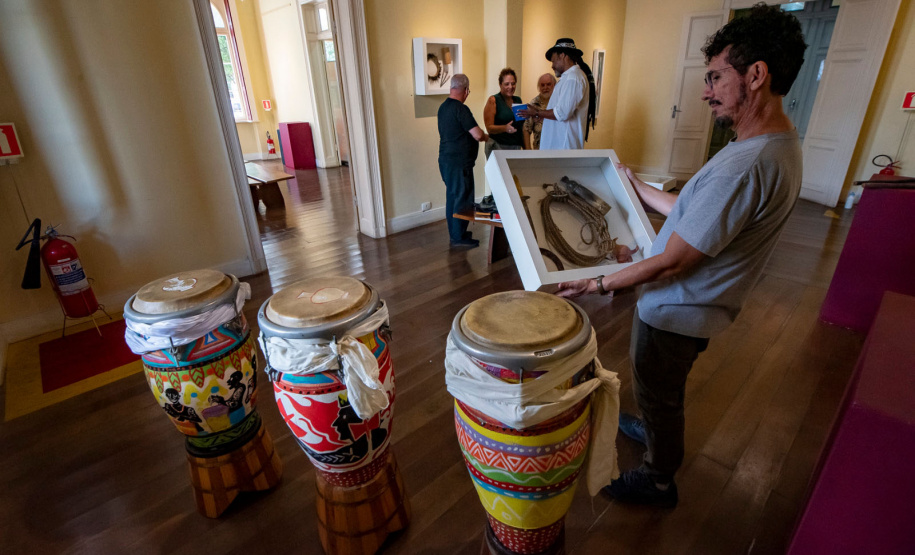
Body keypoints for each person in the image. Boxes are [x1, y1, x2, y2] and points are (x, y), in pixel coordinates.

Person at [555, 4, 807, 508]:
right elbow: (695, 213)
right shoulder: (774, 144)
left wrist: (597, 283)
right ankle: (651, 427)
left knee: (659, 391)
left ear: (756, 75)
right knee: (661, 388)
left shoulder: (745, 163)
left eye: (715, 77)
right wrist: (636, 186)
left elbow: (673, 261)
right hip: (697, 306)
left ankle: (658, 479)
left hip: (678, 309)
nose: (706, 91)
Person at [438, 74, 489, 248]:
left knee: (452, 197)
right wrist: (487, 137)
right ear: (466, 90)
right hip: (459, 164)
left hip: (445, 160)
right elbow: (477, 134)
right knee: (462, 198)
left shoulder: (443, 108)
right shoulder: (461, 109)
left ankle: (456, 233)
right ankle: (458, 237)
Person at [519, 38, 595, 149]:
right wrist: (542, 117)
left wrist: (537, 112)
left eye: (553, 61)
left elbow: (562, 113)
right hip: (558, 150)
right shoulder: (568, 78)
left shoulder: (573, 79)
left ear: (563, 56)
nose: (552, 66)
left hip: (563, 149)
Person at [483, 68, 525, 158]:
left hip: (515, 147)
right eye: (507, 84)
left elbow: (521, 126)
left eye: (513, 83)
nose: (510, 87)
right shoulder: (493, 100)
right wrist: (505, 128)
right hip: (497, 146)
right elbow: (489, 128)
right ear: (500, 84)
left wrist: (527, 149)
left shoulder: (518, 100)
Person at [523, 73, 556, 150]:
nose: (545, 88)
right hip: (539, 149)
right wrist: (528, 150)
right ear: (539, 87)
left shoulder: (559, 102)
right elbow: (526, 128)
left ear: (554, 85)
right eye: (542, 85)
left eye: (548, 84)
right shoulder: (534, 104)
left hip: (558, 148)